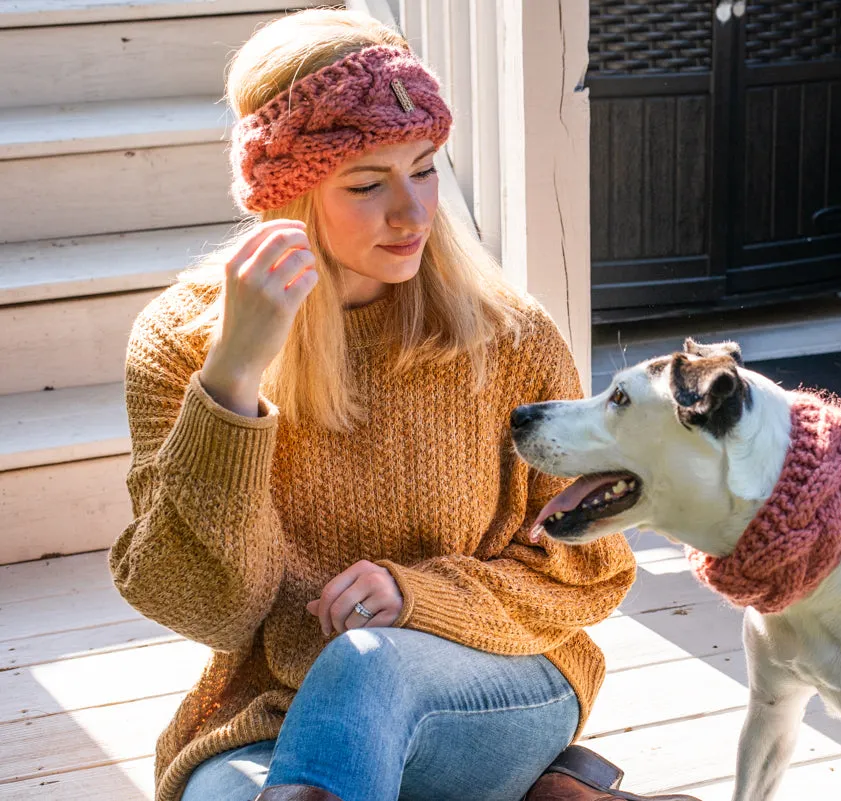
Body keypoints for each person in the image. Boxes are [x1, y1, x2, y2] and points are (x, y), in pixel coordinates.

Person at [110, 9, 698, 801]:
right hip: (273, 712)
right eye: (366, 184)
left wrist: (418, 596)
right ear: (289, 196)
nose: (414, 212)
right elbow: (210, 607)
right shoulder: (182, 345)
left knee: (368, 664)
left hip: (498, 680)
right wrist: (234, 381)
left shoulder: (507, 337)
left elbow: (589, 566)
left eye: (424, 169)